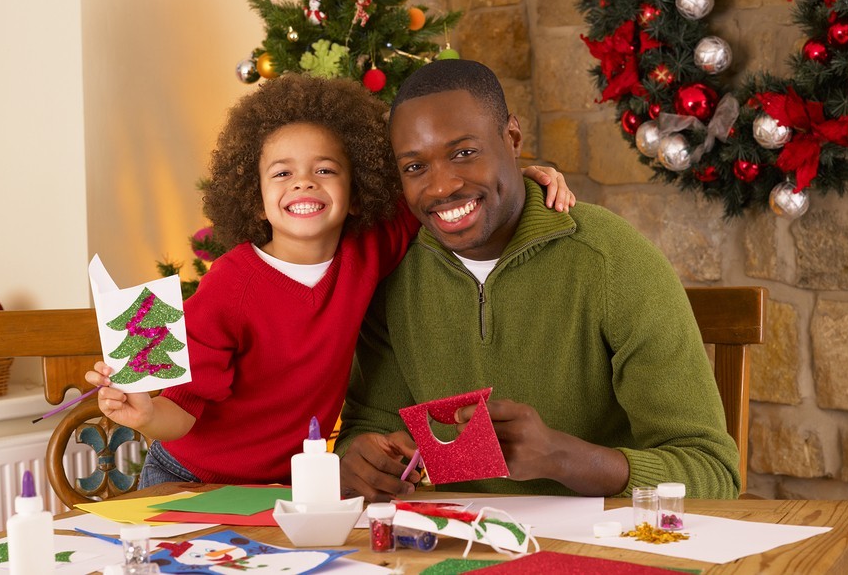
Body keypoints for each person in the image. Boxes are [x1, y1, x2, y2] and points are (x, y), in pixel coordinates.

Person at [85, 72, 574, 487]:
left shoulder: (369, 247)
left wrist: (519, 173)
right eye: (282, 174)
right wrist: (147, 415)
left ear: (357, 192)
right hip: (191, 476)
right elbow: (182, 409)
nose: (303, 182)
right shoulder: (228, 284)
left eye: (324, 169)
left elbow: (439, 199)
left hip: (287, 482)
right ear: (255, 199)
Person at [335, 59, 741, 501]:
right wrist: (358, 461)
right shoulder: (393, 273)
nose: (440, 187)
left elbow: (713, 474)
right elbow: (369, 428)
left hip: (600, 546)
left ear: (512, 138)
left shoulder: (612, 261)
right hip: (449, 546)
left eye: (464, 153)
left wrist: (563, 458)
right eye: (415, 168)